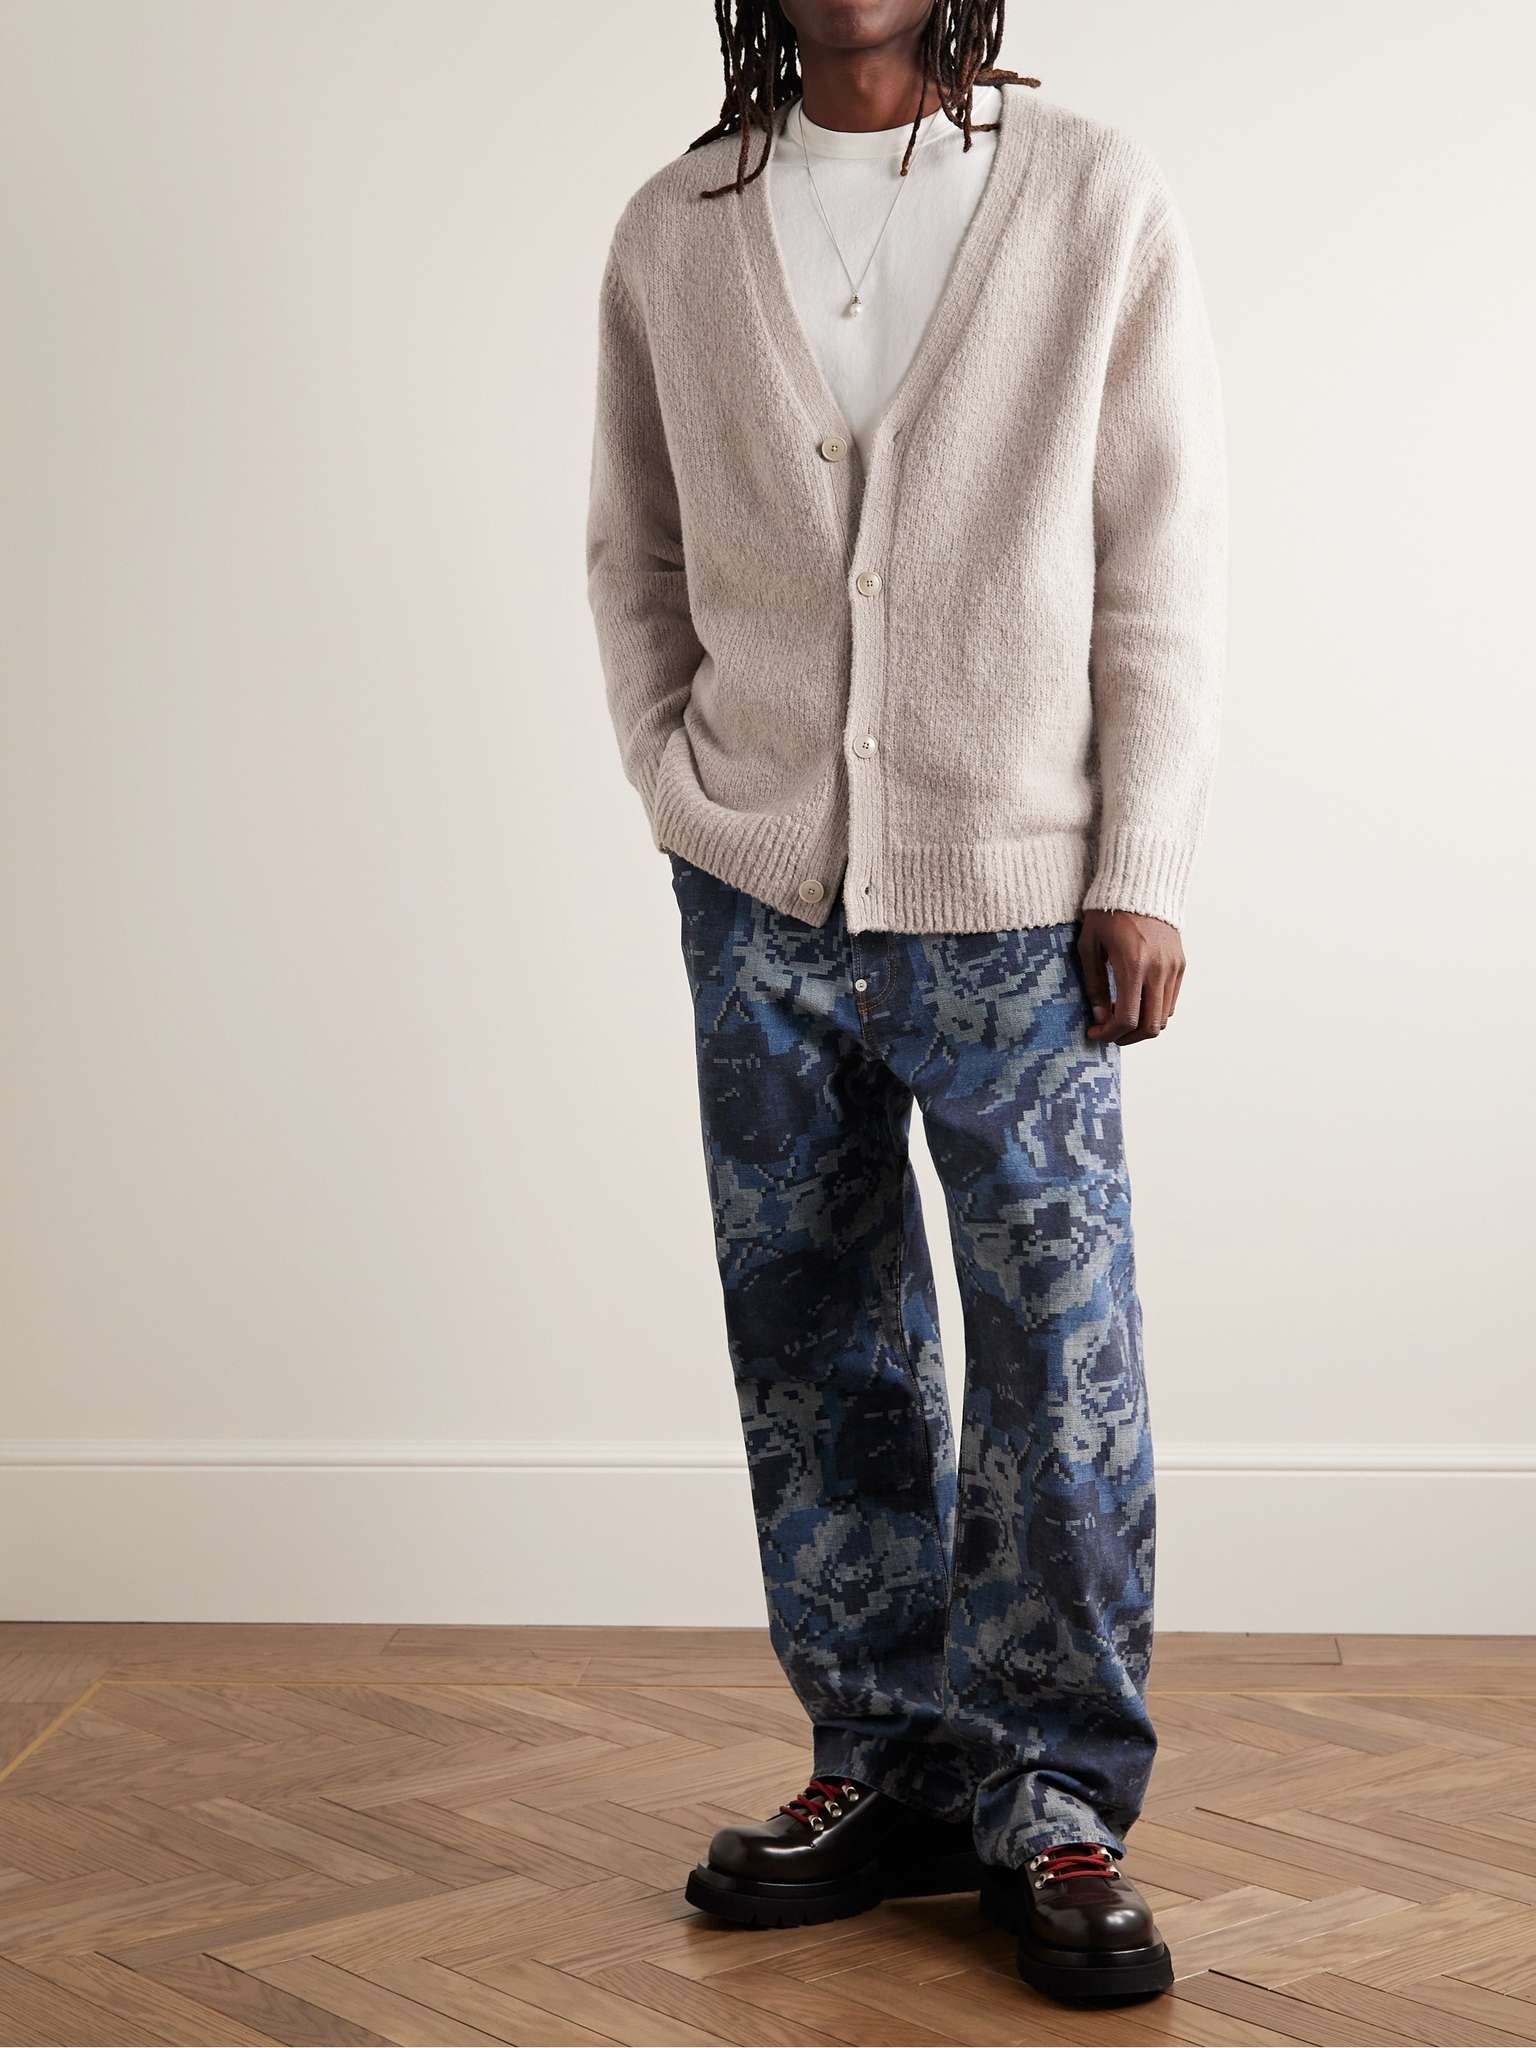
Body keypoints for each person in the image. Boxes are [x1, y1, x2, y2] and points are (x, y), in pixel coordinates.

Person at [585, 0, 1224, 2005]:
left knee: (1057, 1357)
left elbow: (1160, 552)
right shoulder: (678, 227)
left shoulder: (1089, 198)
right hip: (759, 891)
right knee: (814, 1342)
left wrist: (1142, 860)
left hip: (1019, 900)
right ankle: (882, 1757)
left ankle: (1055, 1794)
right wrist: (685, 787)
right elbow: (633, 552)